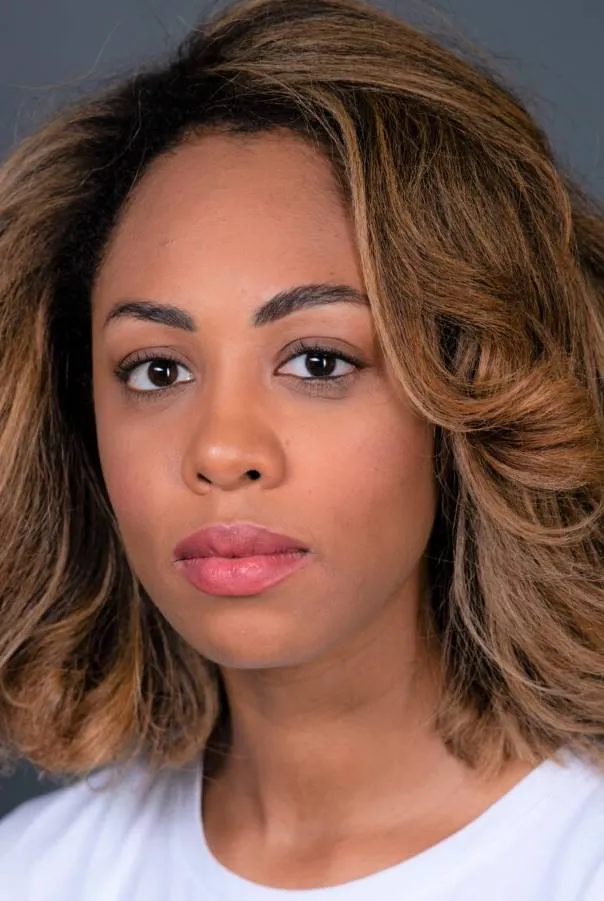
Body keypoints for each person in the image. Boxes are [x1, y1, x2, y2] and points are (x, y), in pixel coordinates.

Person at [0, 0, 602, 897]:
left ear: (475, 390)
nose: (221, 450)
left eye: (318, 360)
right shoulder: (36, 873)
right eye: (158, 370)